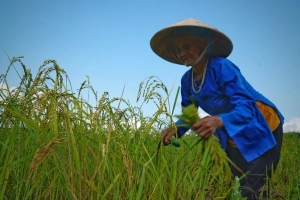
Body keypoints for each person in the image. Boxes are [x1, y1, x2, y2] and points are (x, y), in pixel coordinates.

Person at [150, 18, 284, 199]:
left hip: (260, 122)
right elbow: (188, 115)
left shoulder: (221, 67)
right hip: (229, 128)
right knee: (237, 180)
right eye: (179, 49)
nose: (182, 53)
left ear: (203, 43)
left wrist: (219, 120)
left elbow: (245, 107)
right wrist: (175, 130)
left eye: (187, 46)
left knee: (254, 186)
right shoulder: (187, 80)